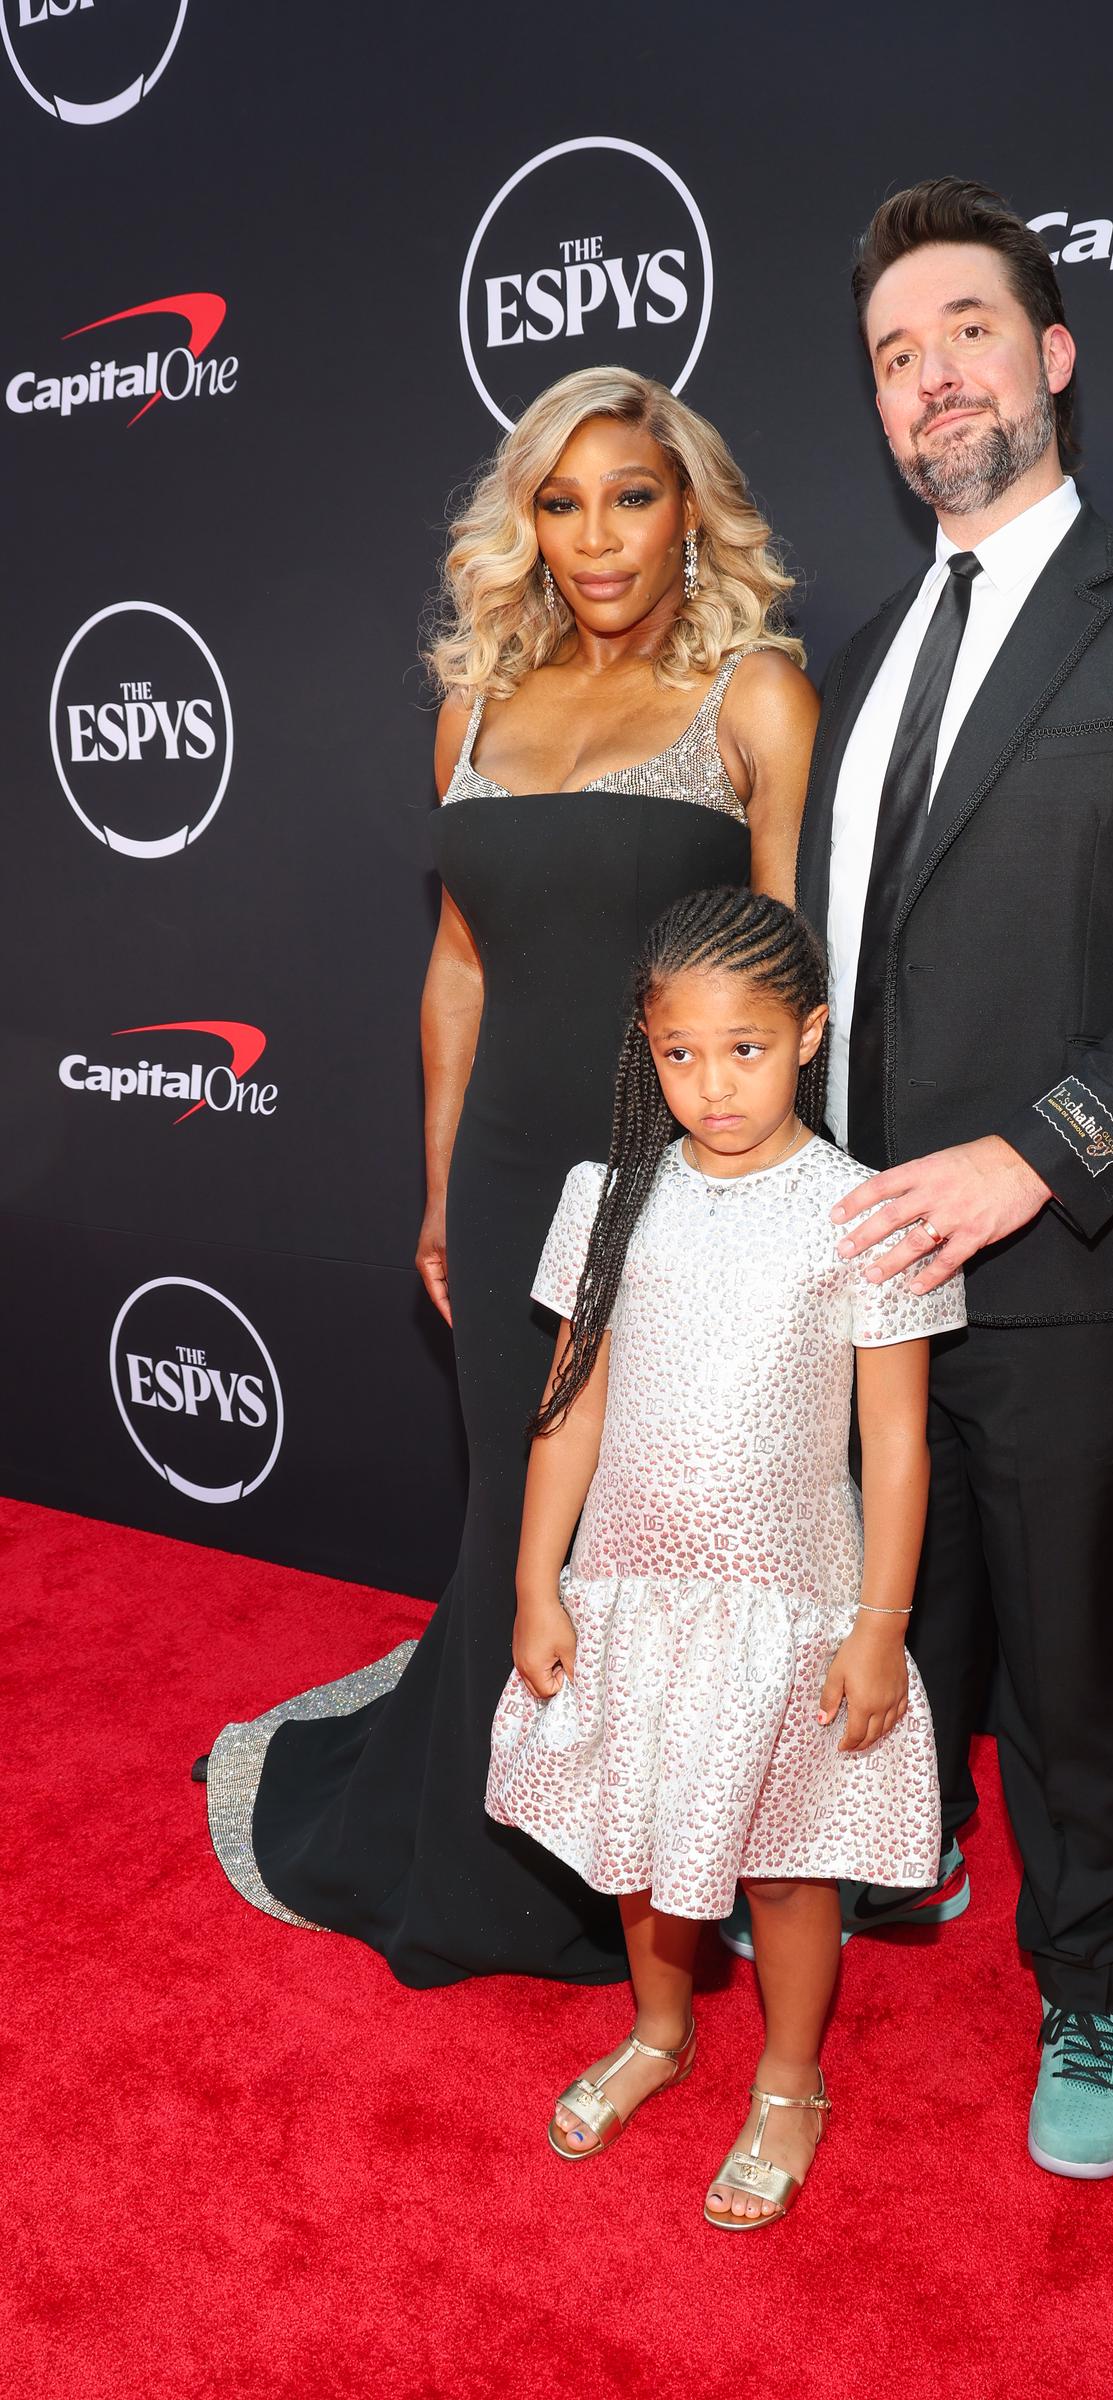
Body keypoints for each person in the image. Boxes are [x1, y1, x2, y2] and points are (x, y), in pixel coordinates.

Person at [791, 180, 1113, 2177]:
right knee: (900, 1607)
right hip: (863, 1259)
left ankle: (1094, 1986)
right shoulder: (851, 658)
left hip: (1070, 1257)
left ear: (1052, 357)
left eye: (964, 333)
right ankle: (905, 1847)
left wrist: (1037, 1155)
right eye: (893, 357)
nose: (931, 380)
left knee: (1078, 1661)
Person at [201, 369, 818, 1989]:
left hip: (670, 1171)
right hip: (502, 1171)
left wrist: (778, 1212)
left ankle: (660, 1852)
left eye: (632, 494)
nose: (597, 536)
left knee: (650, 1523)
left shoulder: (753, 696)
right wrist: (434, 1189)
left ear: (691, 508)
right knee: (521, 1514)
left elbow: (799, 975)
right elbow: (459, 970)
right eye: (561, 500)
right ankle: (497, 1841)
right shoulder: (469, 707)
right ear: (522, 524)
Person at [485, 886, 964, 2225]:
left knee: (786, 1861)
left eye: (745, 1048)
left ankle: (792, 2081)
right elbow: (571, 1406)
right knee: (643, 1831)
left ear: (809, 1035)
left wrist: (878, 1626)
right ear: (645, 1045)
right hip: (633, 1588)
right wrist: (538, 1580)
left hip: (788, 1606)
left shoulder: (867, 1210)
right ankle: (658, 2030)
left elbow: (901, 1445)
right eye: (679, 1053)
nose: (712, 1085)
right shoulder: (606, 1197)